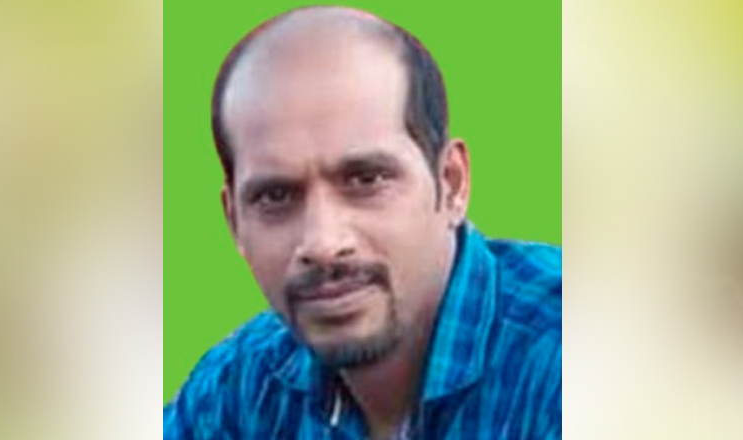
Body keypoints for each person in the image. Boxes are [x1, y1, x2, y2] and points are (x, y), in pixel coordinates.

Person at [164, 6, 561, 440]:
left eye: (366, 180)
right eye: (275, 197)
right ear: (234, 222)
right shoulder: (242, 387)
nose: (323, 242)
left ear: (451, 184)